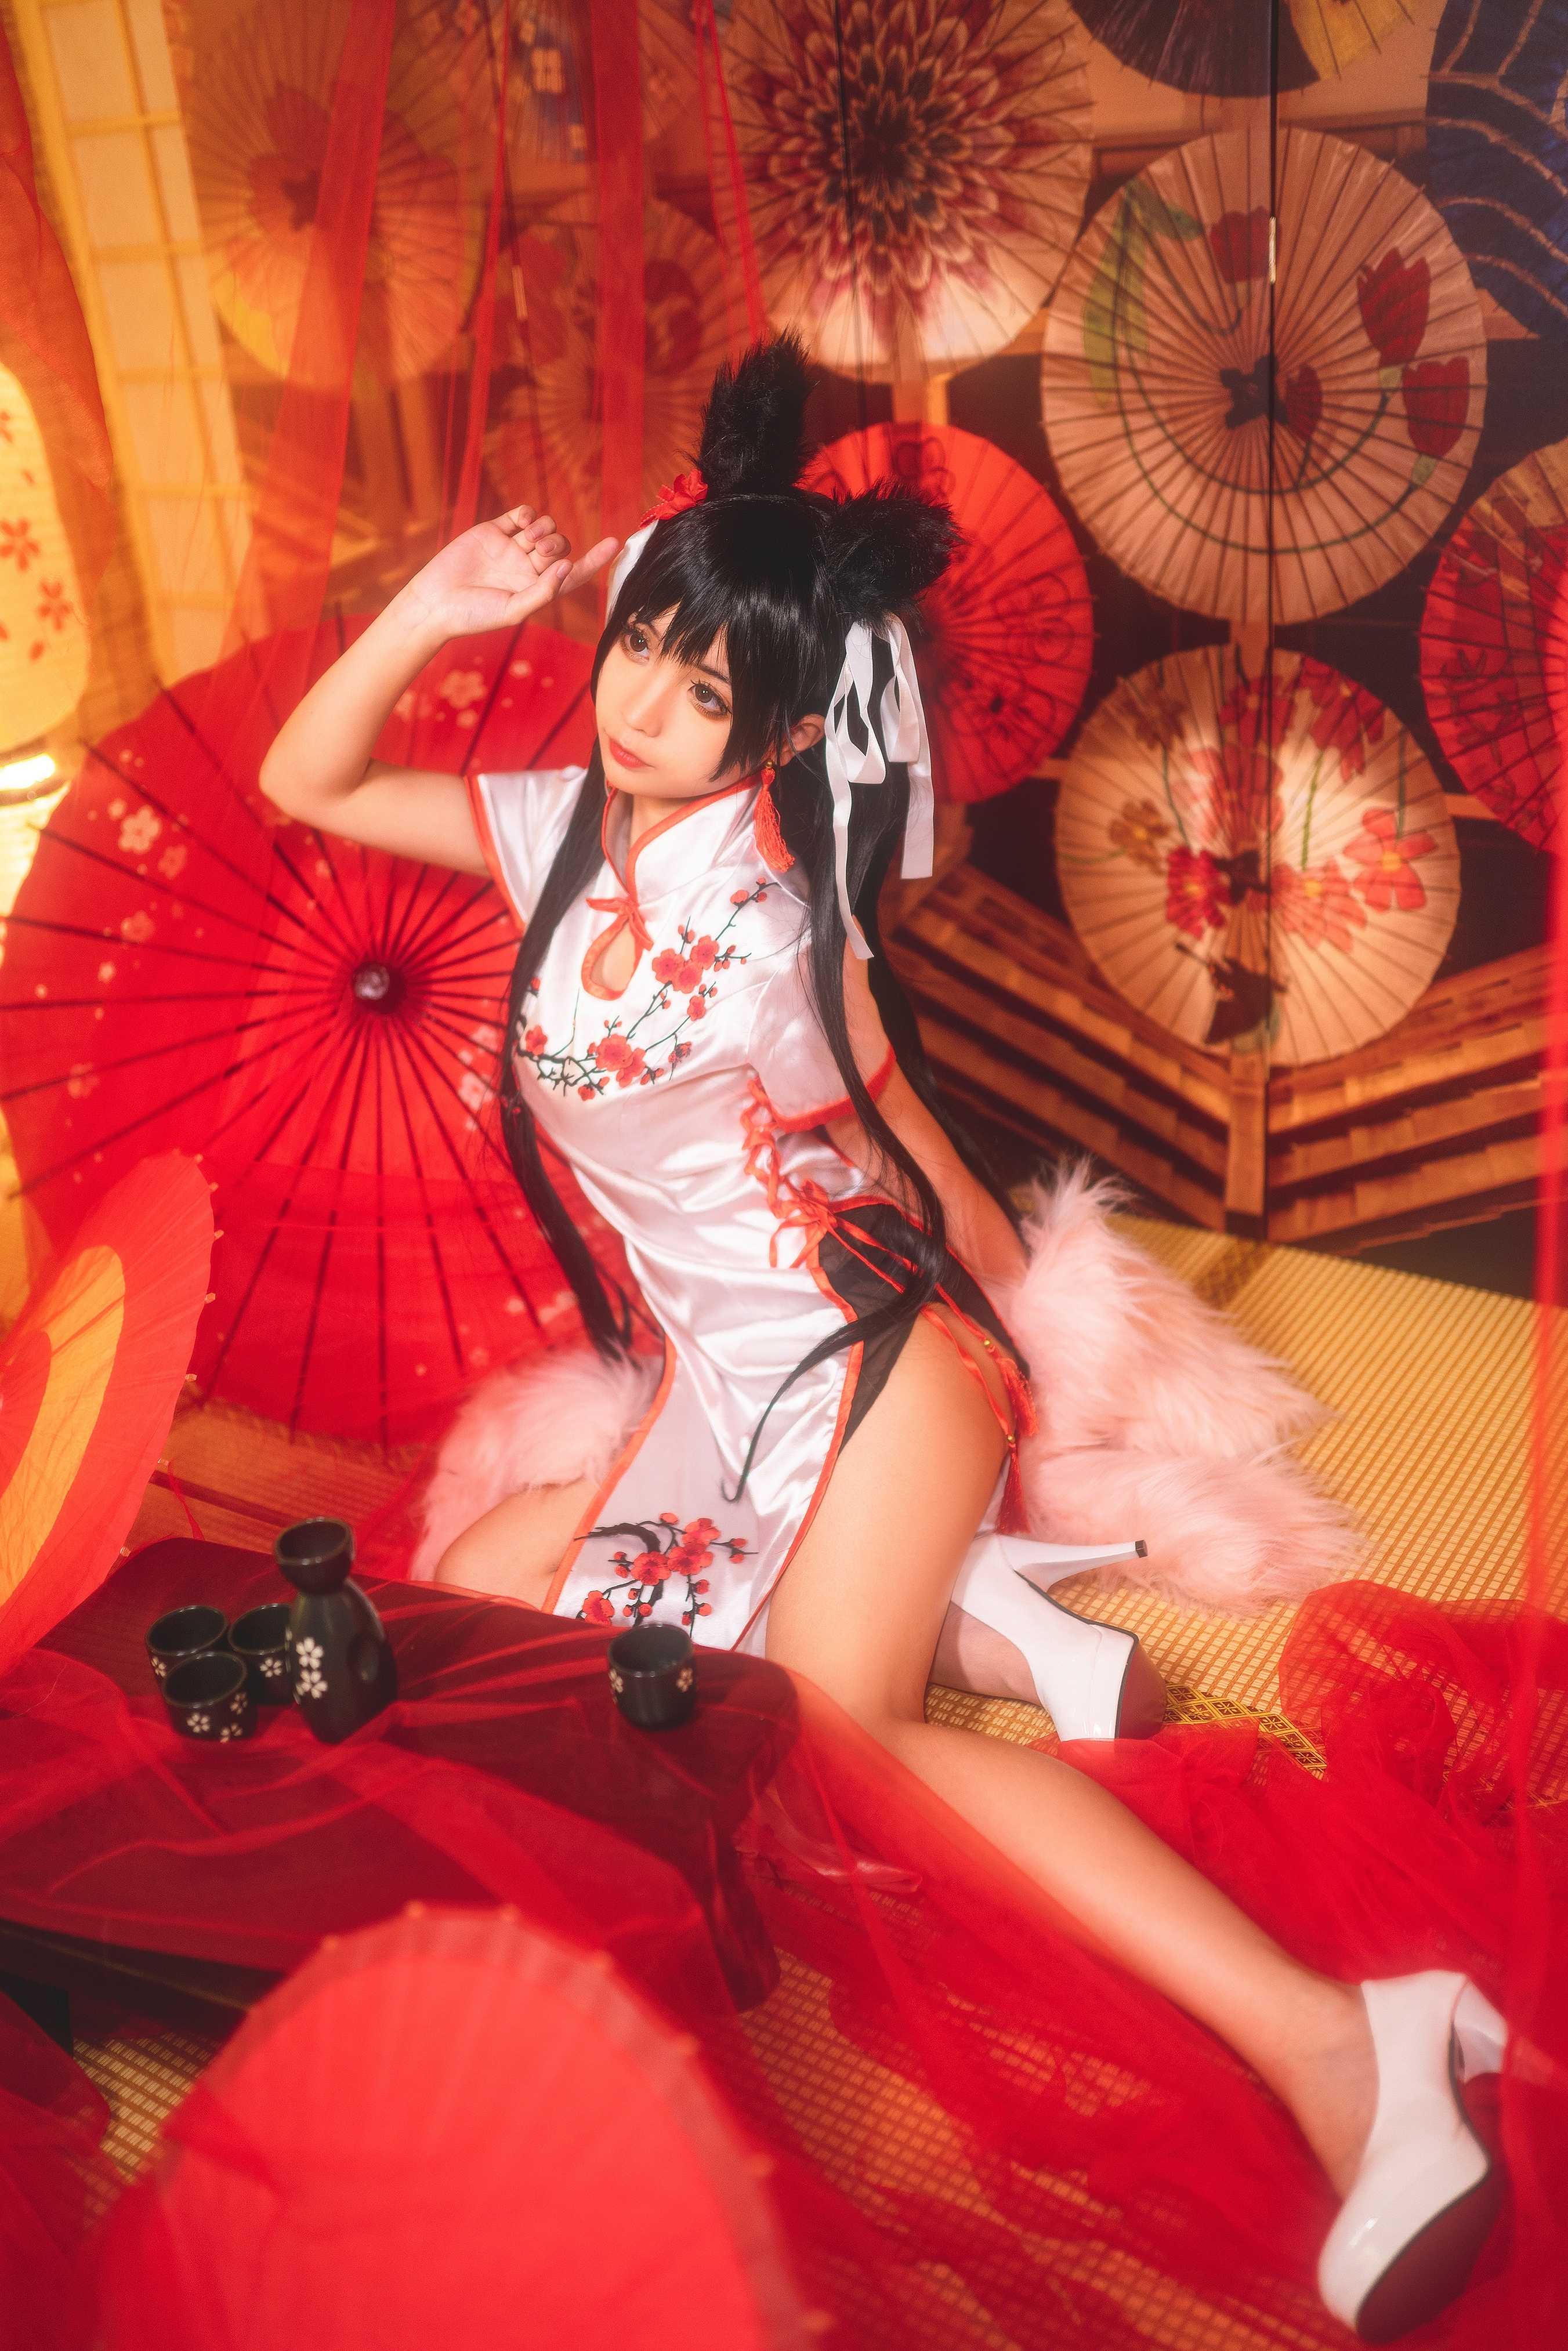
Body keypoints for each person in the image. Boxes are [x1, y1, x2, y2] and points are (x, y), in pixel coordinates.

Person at [260, 338, 1505, 2339]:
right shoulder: (555, 825)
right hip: (712, 1389)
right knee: (479, 1605)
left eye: (708, 690)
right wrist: (433, 606)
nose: (646, 705)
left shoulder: (776, 916)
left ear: (778, 729)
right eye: (643, 647)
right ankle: (979, 1618)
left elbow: (893, 1115)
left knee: (833, 1739)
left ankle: (1341, 2036)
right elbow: (302, 781)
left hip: (868, 1357)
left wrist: (1021, 1334)